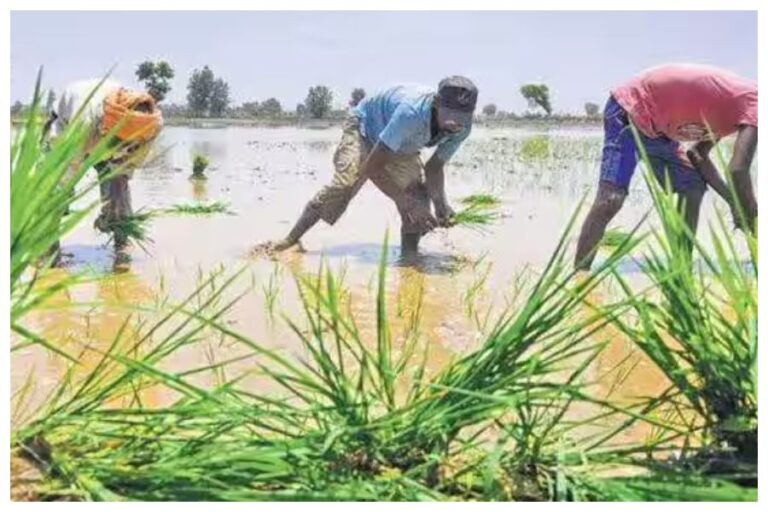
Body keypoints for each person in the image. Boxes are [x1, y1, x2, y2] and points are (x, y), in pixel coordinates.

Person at [257, 76, 478, 256]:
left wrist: (440, 204)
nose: (456, 123)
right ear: (436, 103)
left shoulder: (463, 127)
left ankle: (410, 260)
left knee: (418, 196)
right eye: (451, 115)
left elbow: (435, 167)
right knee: (345, 185)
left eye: (463, 116)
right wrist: (405, 203)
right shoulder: (410, 114)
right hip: (365, 128)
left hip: (400, 140)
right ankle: (290, 240)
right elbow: (371, 169)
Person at [574, 64, 757, 271]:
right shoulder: (757, 103)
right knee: (611, 199)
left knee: (692, 186)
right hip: (630, 110)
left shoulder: (737, 111)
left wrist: (734, 203)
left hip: (658, 132)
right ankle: (580, 276)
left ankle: (681, 269)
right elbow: (737, 170)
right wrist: (753, 214)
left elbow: (697, 154)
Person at [47, 78, 163, 261]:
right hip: (68, 125)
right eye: (120, 142)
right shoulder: (84, 122)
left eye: (130, 143)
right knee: (55, 190)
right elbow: (68, 172)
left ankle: (122, 242)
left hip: (104, 134)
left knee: (120, 191)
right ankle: (49, 247)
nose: (123, 148)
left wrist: (110, 212)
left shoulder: (151, 126)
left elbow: (126, 169)